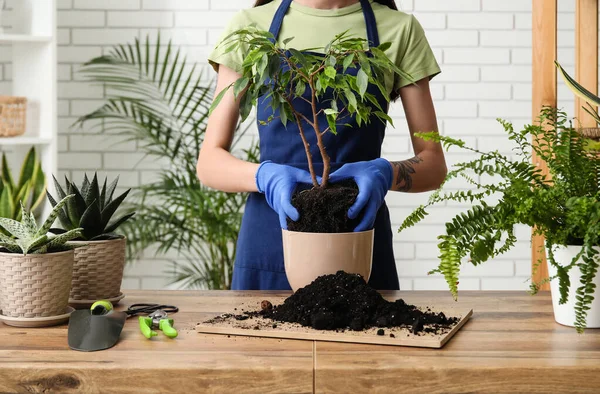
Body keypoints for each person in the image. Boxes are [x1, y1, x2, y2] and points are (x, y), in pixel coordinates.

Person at [198, 0, 447, 291]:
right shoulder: (249, 27)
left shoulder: (399, 30)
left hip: (357, 235)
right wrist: (264, 177)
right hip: (270, 237)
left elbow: (433, 164)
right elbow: (209, 163)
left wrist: (385, 173)